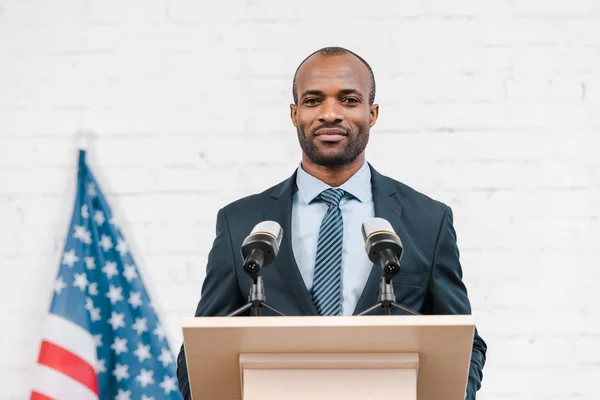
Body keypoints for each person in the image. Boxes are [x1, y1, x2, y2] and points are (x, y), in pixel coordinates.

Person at [176, 46, 486, 399]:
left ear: (373, 113)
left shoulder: (428, 220)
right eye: (313, 100)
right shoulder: (241, 222)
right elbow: (200, 349)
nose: (329, 114)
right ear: (294, 114)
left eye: (348, 100)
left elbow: (464, 342)